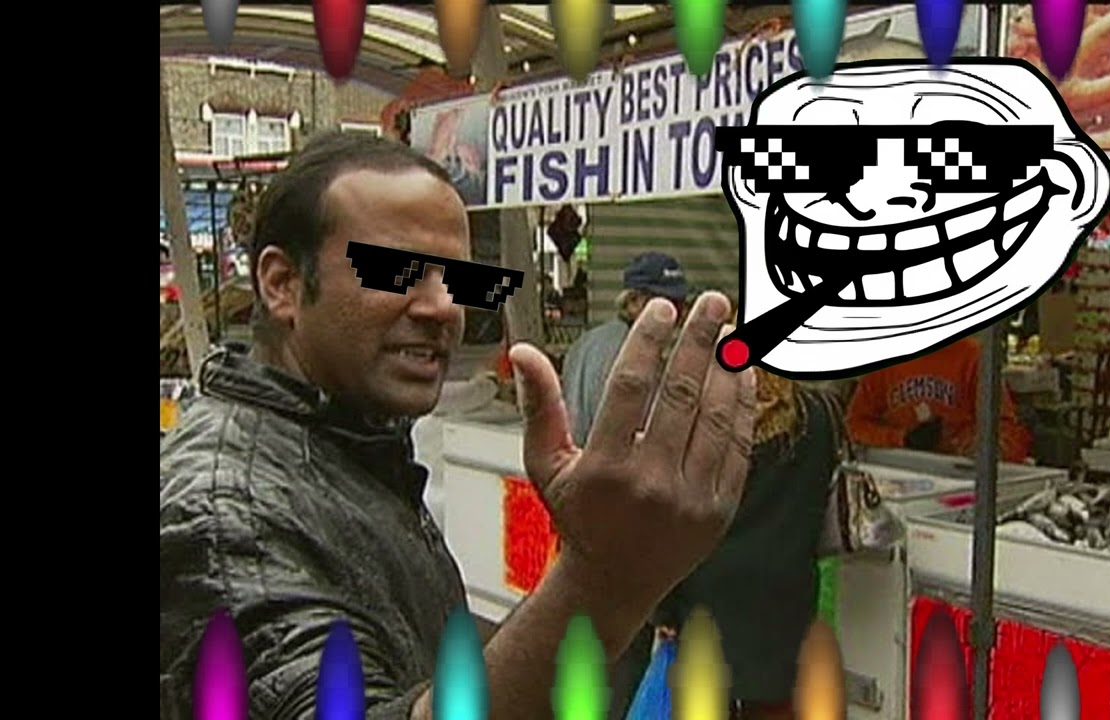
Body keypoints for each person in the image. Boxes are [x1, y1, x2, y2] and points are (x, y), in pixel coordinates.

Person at [159, 132, 755, 720]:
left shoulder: (353, 443)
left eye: (460, 280)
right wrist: (604, 579)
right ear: (282, 284)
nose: (443, 306)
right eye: (397, 271)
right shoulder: (224, 512)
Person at [645, 368, 848, 720]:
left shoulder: (706, 424)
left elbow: (670, 523)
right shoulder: (820, 417)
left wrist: (662, 610)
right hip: (787, 601)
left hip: (705, 598)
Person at [561, 252, 690, 447]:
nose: (675, 316)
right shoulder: (637, 354)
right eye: (667, 305)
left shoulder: (585, 343)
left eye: (679, 305)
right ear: (633, 302)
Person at [845, 336, 1033, 463]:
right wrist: (903, 439)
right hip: (898, 471)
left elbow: (1006, 434)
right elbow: (854, 427)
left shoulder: (973, 357)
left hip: (958, 474)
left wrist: (966, 445)